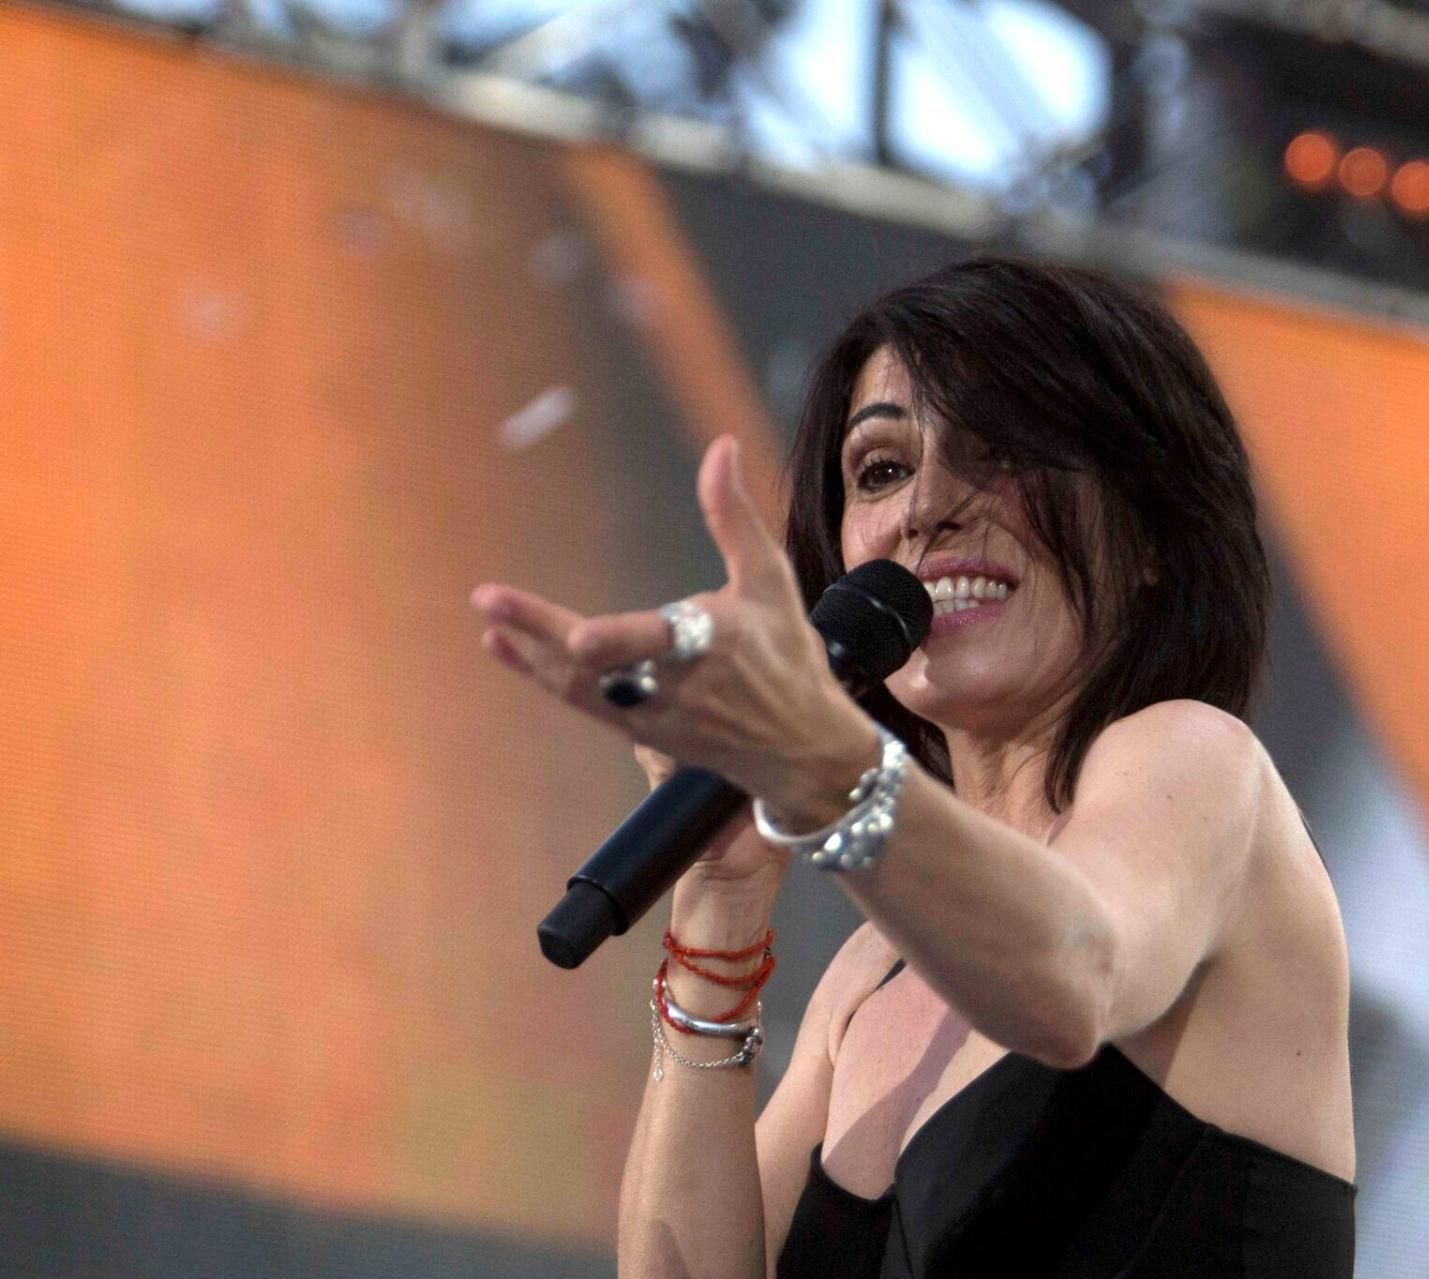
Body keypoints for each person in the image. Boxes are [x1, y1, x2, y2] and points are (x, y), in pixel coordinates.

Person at [469, 256, 1355, 1277]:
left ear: (1152, 530)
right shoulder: (867, 977)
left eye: (1005, 449)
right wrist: (718, 903)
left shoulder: (1199, 761)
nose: (926, 506)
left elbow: (1076, 978)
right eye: (883, 469)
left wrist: (824, 765)